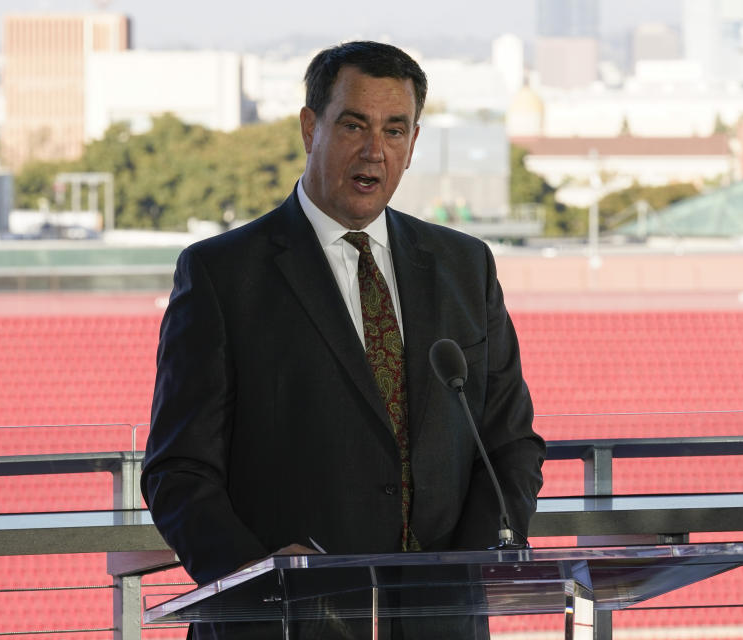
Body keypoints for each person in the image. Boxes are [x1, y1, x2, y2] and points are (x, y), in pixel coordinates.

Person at [141, 40, 546, 640]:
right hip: (287, 623)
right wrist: (262, 580)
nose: (374, 151)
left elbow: (511, 444)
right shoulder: (222, 275)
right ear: (311, 128)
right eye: (354, 124)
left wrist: (468, 564)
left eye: (395, 129)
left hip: (440, 621)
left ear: (413, 145)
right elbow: (177, 470)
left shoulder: (465, 266)